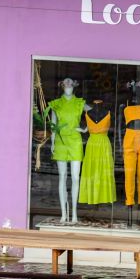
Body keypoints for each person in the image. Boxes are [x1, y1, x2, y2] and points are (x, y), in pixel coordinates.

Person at [49, 78, 89, 224]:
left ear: (74, 86)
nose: (68, 87)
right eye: (65, 85)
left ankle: (74, 213)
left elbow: (96, 114)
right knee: (62, 177)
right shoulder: (56, 104)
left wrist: (85, 128)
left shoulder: (80, 103)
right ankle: (64, 214)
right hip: (60, 141)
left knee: (76, 178)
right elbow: (53, 125)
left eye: (70, 84)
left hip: (75, 140)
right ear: (62, 87)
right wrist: (52, 142)